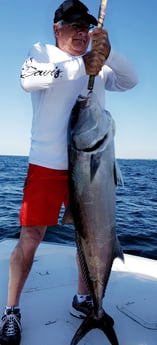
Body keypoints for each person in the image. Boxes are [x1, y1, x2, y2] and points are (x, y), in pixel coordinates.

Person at [0, 0, 138, 344]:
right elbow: (27, 81)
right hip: (47, 166)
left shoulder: (99, 67)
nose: (81, 32)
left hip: (89, 169)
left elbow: (130, 80)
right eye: (74, 25)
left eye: (86, 27)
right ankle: (11, 311)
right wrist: (79, 66)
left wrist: (109, 52)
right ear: (56, 28)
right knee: (31, 237)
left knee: (86, 236)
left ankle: (84, 298)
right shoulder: (43, 54)